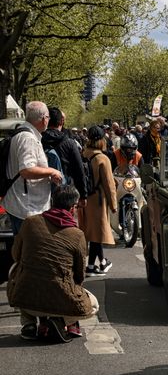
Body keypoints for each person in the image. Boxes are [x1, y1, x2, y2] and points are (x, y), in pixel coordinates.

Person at [8, 185, 98, 341]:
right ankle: (60, 320)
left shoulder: (30, 222)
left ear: (52, 202)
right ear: (72, 208)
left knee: (16, 270)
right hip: (61, 302)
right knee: (94, 304)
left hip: (25, 298)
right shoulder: (77, 234)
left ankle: (28, 323)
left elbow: (16, 255)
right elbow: (79, 275)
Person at [3, 100, 64, 235]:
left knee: (24, 251)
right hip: (27, 208)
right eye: (47, 117)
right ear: (43, 119)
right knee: (31, 253)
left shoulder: (22, 135)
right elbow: (26, 170)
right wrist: (52, 171)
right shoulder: (28, 138)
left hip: (24, 205)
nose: (48, 120)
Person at [80, 126, 116, 275]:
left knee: (91, 232)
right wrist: (113, 204)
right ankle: (91, 266)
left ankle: (100, 263)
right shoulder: (102, 158)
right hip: (98, 200)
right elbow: (109, 184)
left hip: (84, 198)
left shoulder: (83, 154)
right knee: (97, 233)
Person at [42, 106, 89, 200]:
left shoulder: (38, 139)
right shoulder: (69, 142)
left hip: (41, 191)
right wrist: (83, 195)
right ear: (61, 122)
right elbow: (79, 170)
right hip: (64, 193)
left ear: (46, 120)